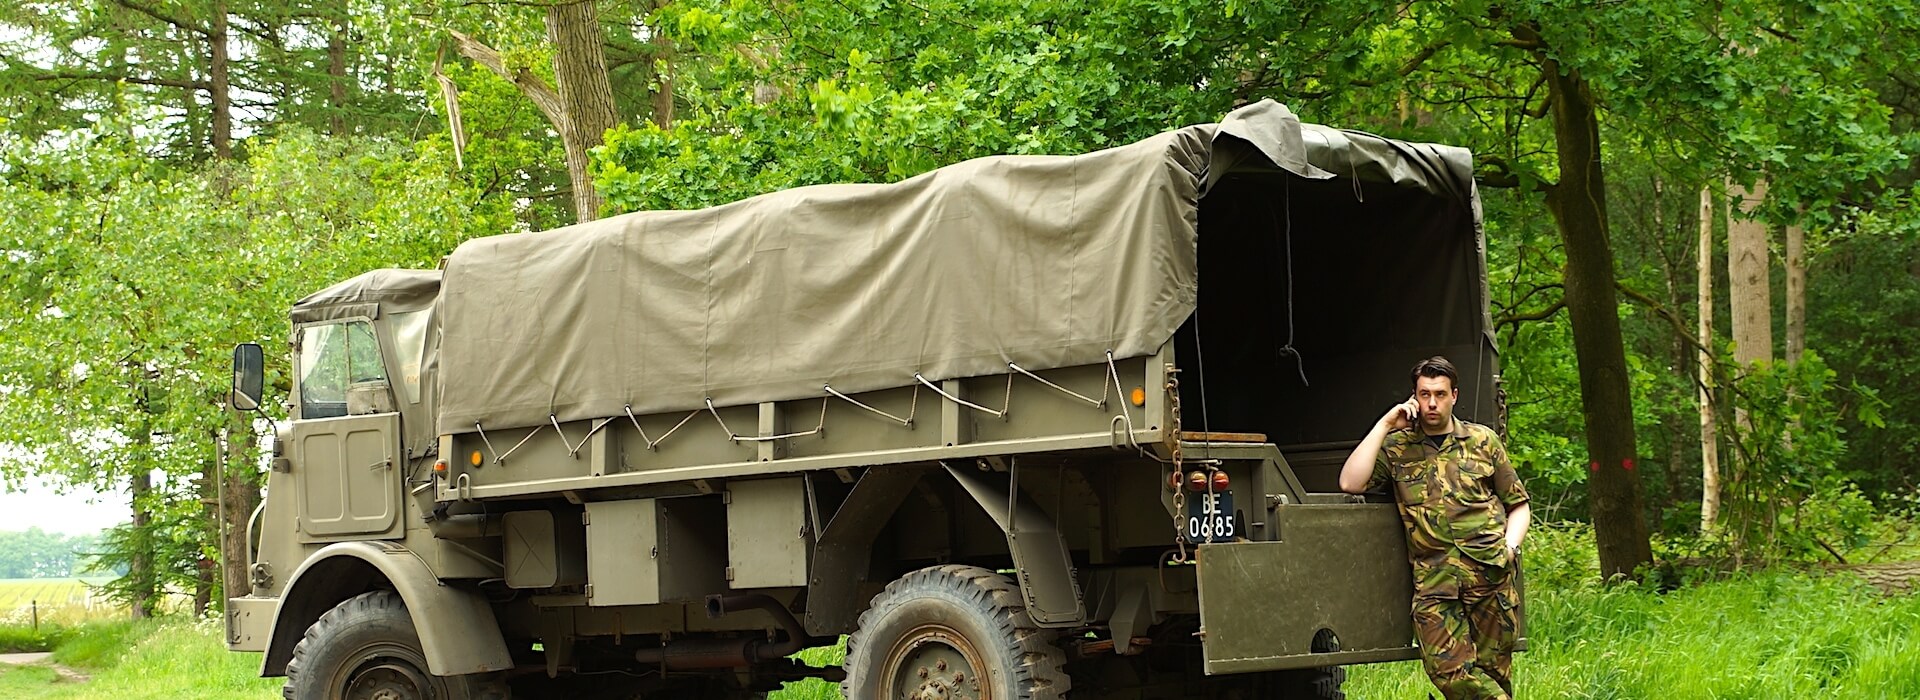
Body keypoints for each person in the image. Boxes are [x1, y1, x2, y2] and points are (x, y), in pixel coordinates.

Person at [1338, 356, 1531, 700]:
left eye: (1440, 394)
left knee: (1493, 674)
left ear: (1454, 395)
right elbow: (1351, 482)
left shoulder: (1483, 441)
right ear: (1414, 397)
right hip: (1435, 583)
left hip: (1490, 576)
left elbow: (1518, 504)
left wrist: (1510, 549)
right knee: (1448, 671)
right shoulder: (1398, 447)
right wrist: (1384, 424)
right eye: (1424, 394)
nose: (1431, 403)